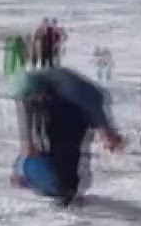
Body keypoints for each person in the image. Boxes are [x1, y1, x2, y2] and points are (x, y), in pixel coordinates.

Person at [13, 64, 126, 207]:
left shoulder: (71, 88)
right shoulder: (27, 88)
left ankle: (69, 190)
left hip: (80, 108)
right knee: (49, 139)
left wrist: (107, 132)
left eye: (35, 97)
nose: (32, 101)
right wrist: (27, 140)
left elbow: (93, 106)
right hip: (57, 100)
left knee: (68, 147)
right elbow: (25, 110)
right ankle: (48, 177)